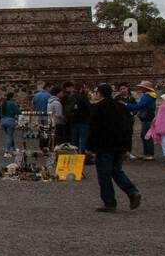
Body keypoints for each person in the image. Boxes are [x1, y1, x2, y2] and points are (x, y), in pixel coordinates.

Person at [87, 83, 141, 212]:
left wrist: (90, 147)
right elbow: (128, 127)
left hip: (104, 145)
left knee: (104, 174)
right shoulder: (121, 107)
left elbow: (94, 129)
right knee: (117, 170)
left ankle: (109, 202)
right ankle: (132, 191)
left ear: (99, 93)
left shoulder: (98, 108)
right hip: (120, 144)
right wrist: (127, 145)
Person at [126, 81, 158, 161]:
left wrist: (127, 105)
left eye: (141, 87)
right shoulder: (150, 95)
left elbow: (139, 106)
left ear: (145, 88)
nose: (140, 89)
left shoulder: (147, 96)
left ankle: (149, 154)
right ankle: (147, 153)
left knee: (146, 136)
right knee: (145, 135)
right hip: (148, 117)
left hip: (147, 118)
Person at [66, 83, 91, 154]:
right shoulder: (84, 97)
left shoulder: (71, 97)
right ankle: (83, 154)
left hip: (73, 121)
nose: (87, 90)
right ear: (81, 89)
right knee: (83, 139)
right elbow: (89, 109)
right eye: (85, 88)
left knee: (74, 139)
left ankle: (74, 153)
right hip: (83, 121)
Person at [0, 91, 21, 156]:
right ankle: (7, 152)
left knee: (9, 136)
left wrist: (0, 121)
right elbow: (18, 112)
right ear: (11, 97)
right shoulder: (13, 104)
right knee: (9, 136)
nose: (15, 98)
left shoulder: (2, 103)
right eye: (14, 97)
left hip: (3, 121)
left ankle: (13, 150)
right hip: (10, 121)